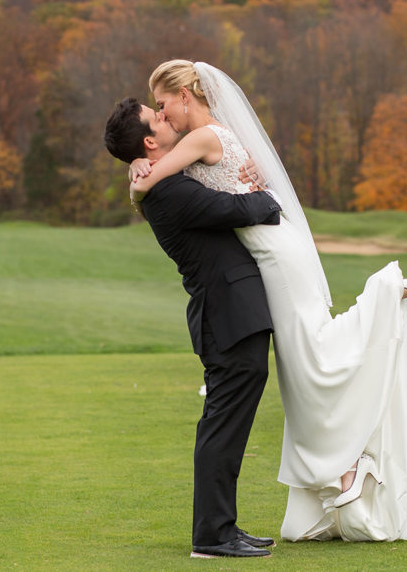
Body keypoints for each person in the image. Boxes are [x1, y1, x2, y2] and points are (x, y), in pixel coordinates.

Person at [127, 60, 407, 542]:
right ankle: (343, 464)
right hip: (272, 247)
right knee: (305, 356)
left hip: (271, 249)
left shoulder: (200, 137)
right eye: (156, 113)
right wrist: (137, 160)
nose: (163, 116)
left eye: (163, 105)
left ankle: (384, 299)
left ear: (185, 96)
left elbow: (150, 181)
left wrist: (137, 173)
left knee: (311, 353)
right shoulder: (209, 136)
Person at [104, 97, 281, 559]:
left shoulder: (166, 180)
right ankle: (213, 536)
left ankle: (222, 526)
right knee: (222, 425)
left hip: (230, 313)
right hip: (226, 315)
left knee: (225, 423)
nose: (164, 116)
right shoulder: (168, 192)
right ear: (149, 141)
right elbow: (239, 210)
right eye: (156, 116)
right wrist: (270, 195)